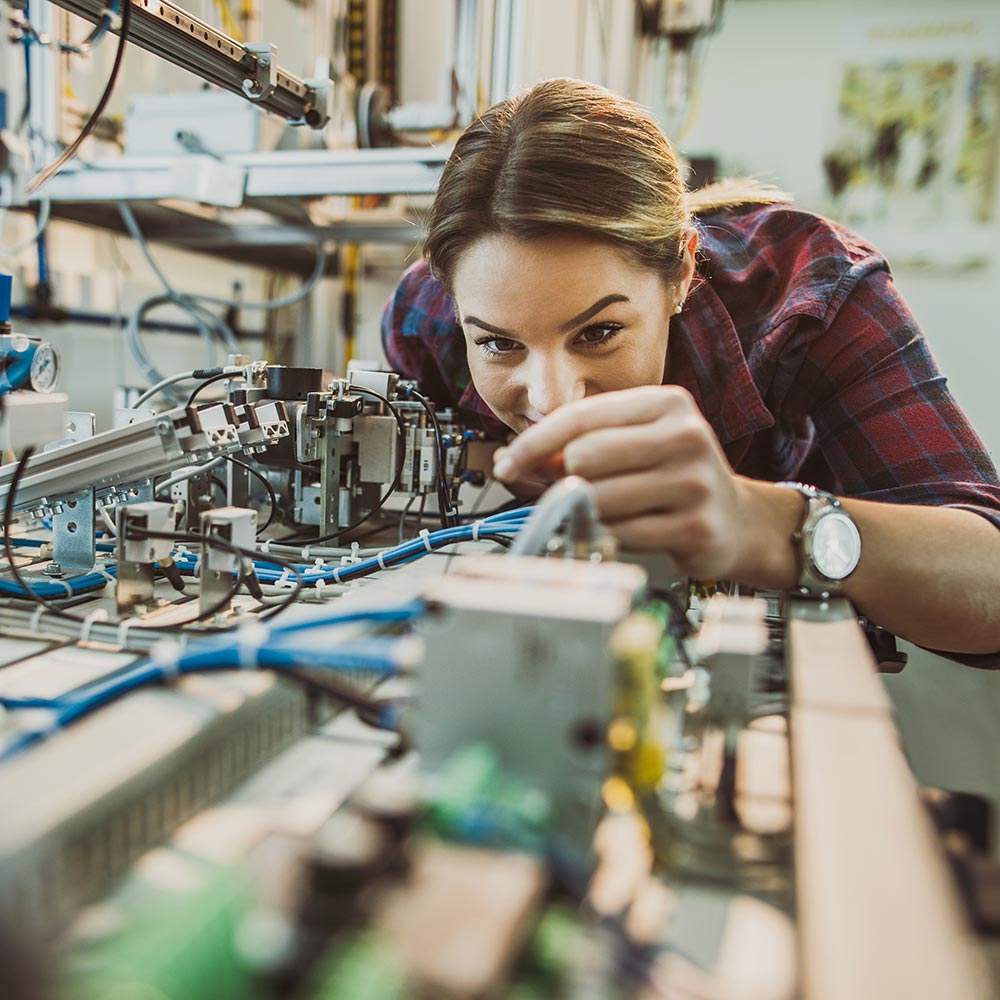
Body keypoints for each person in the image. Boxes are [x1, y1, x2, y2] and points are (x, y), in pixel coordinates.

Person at [381, 77, 1000, 664]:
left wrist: (760, 522)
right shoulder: (424, 320)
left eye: (597, 333)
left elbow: (989, 583)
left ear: (681, 273)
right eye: (499, 346)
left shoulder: (812, 293)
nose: (555, 398)